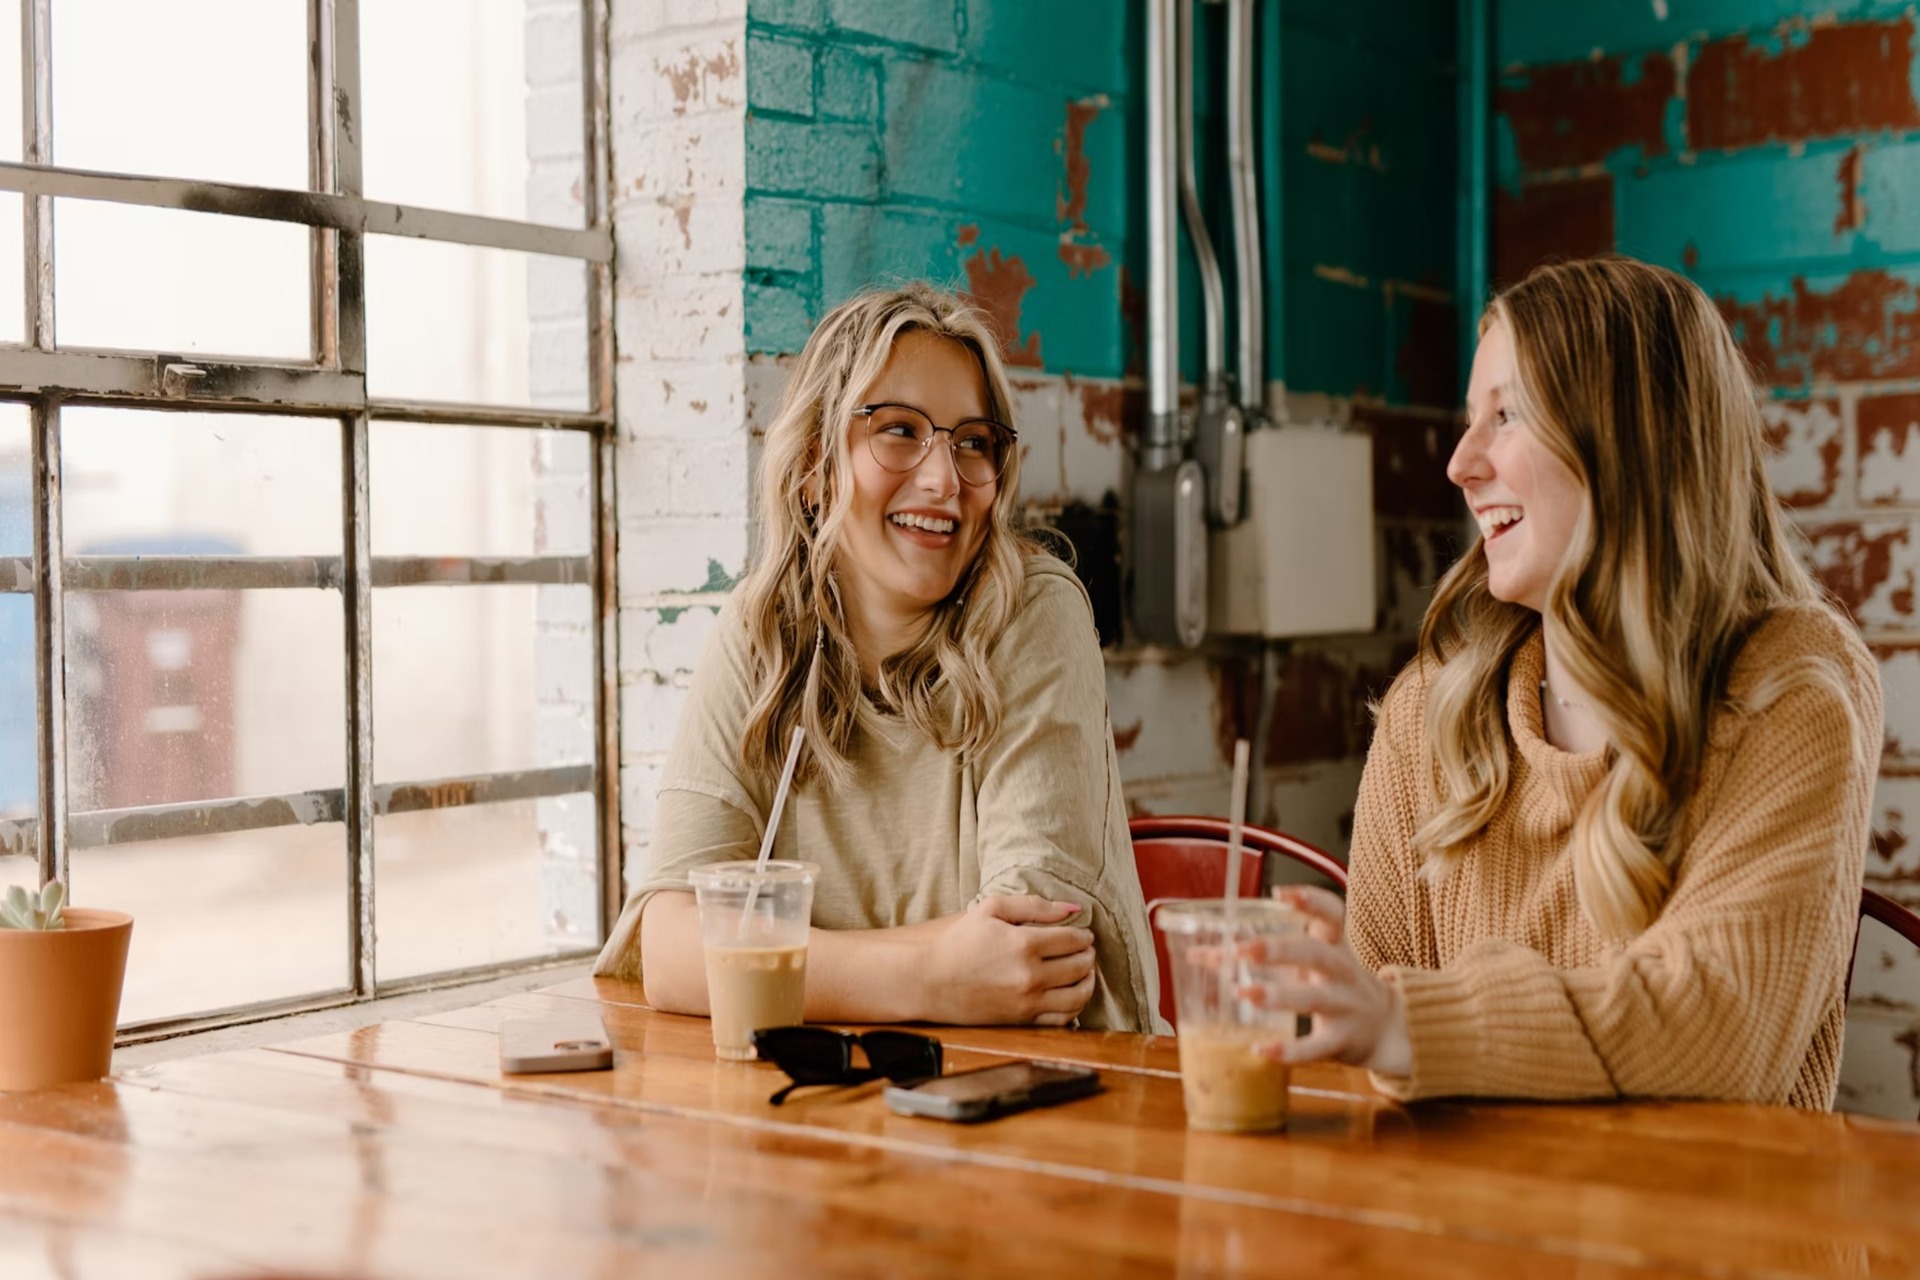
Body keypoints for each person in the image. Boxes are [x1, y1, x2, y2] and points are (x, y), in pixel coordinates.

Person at [1252, 256, 1881, 1109]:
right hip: (1471, 1227)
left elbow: (1719, 1030)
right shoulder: (1430, 712)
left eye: (1506, 415)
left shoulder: (1795, 691)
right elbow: (1366, 1066)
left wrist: (1409, 1019)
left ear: (1633, 442)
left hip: (1711, 1232)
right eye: (1471, 419)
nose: (1461, 464)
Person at [594, 281, 1159, 1032]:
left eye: (972, 442)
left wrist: (760, 957)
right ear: (815, 470)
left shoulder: (1033, 611)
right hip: (834, 1105)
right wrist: (932, 974)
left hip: (1055, 1103)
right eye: (898, 430)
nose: (944, 478)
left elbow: (1028, 960)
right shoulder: (760, 631)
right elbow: (666, 949)